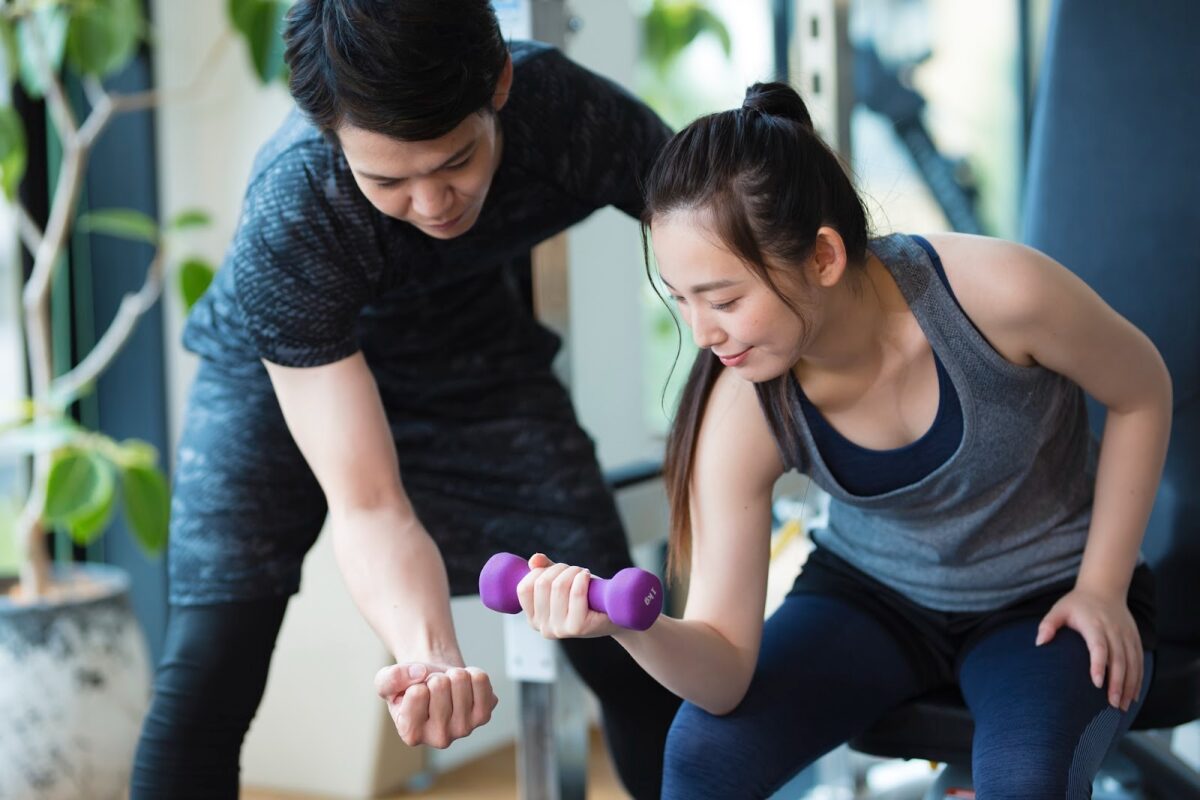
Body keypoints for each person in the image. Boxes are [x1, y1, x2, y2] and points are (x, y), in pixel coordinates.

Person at [516, 82, 1171, 799]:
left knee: (1026, 782)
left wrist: (1103, 586)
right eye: (681, 300)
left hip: (1047, 594)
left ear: (824, 257)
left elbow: (1142, 391)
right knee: (703, 755)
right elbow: (724, 670)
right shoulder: (741, 407)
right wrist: (626, 626)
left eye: (725, 299)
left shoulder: (1000, 296)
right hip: (873, 598)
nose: (701, 333)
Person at [130, 2, 683, 797]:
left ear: (500, 84)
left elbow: (720, 227)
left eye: (456, 161)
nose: (432, 203)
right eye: (388, 180)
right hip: (277, 374)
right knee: (210, 672)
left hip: (465, 349)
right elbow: (371, 505)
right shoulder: (294, 209)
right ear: (329, 133)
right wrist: (431, 658)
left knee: (622, 637)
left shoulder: (562, 112)